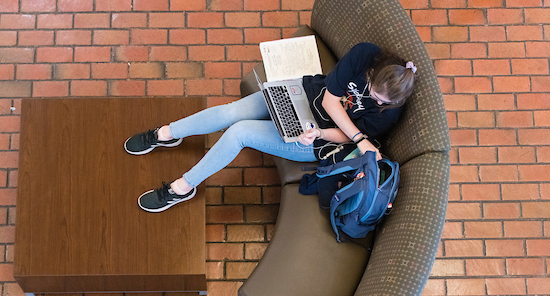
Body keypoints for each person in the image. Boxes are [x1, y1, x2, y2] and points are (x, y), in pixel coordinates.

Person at [124, 42, 417, 213]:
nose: (373, 99)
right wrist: (358, 136)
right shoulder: (366, 54)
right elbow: (330, 100)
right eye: (373, 91)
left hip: (316, 140)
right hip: (304, 95)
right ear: (374, 72)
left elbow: (342, 137)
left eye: (379, 100)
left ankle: (183, 187)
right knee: (232, 111)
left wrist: (320, 133)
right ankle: (165, 134)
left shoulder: (388, 113)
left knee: (239, 132)